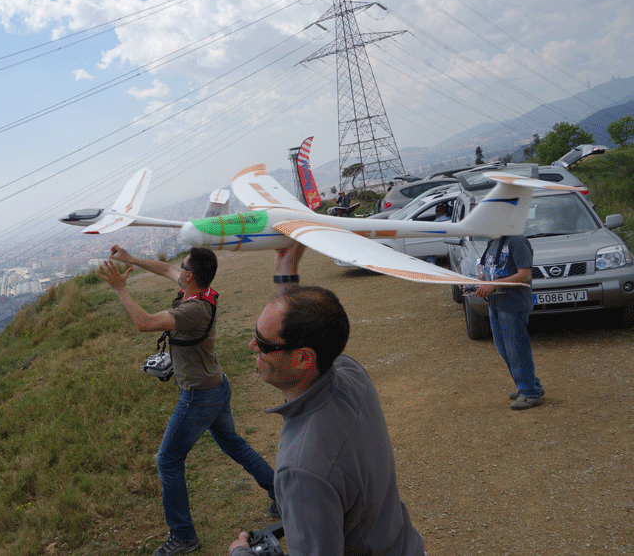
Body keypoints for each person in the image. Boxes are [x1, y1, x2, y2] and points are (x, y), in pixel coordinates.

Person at [228, 243, 425, 556]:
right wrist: (286, 275)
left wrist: (240, 554)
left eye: (264, 344)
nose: (253, 346)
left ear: (304, 358)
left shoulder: (302, 470)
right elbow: (314, 328)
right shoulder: (350, 374)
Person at [97, 246, 277, 556]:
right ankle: (282, 494)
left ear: (190, 275)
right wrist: (131, 259)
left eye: (182, 266)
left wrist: (120, 289)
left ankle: (183, 536)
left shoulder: (194, 309)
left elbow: (145, 322)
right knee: (233, 444)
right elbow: (166, 270)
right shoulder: (202, 291)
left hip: (199, 395)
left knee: (167, 461)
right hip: (216, 385)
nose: (177, 269)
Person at [474, 235, 543, 410]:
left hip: (513, 304)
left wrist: (494, 284)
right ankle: (529, 384)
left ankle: (530, 393)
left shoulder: (516, 241)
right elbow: (490, 271)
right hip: (496, 303)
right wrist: (477, 284)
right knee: (505, 350)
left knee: (517, 350)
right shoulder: (493, 241)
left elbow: (525, 275)